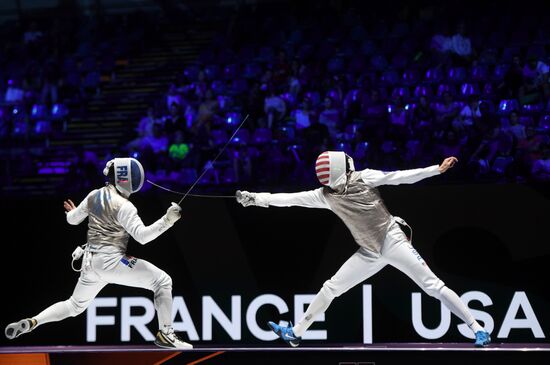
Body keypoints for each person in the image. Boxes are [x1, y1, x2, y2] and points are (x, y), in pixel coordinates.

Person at [236, 151, 491, 347]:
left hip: (393, 240)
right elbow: (289, 200)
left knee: (433, 286)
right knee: (331, 287)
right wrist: (256, 199)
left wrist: (436, 170)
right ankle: (296, 334)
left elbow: (399, 177)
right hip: (368, 251)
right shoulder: (324, 196)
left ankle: (477, 328)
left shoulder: (363, 178)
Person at [4, 158, 193, 349]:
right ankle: (166, 334)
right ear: (126, 178)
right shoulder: (125, 206)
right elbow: (142, 237)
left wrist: (72, 212)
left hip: (90, 265)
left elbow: (72, 220)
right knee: (162, 281)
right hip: (112, 262)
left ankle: (34, 321)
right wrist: (167, 221)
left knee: (74, 306)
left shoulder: (94, 195)